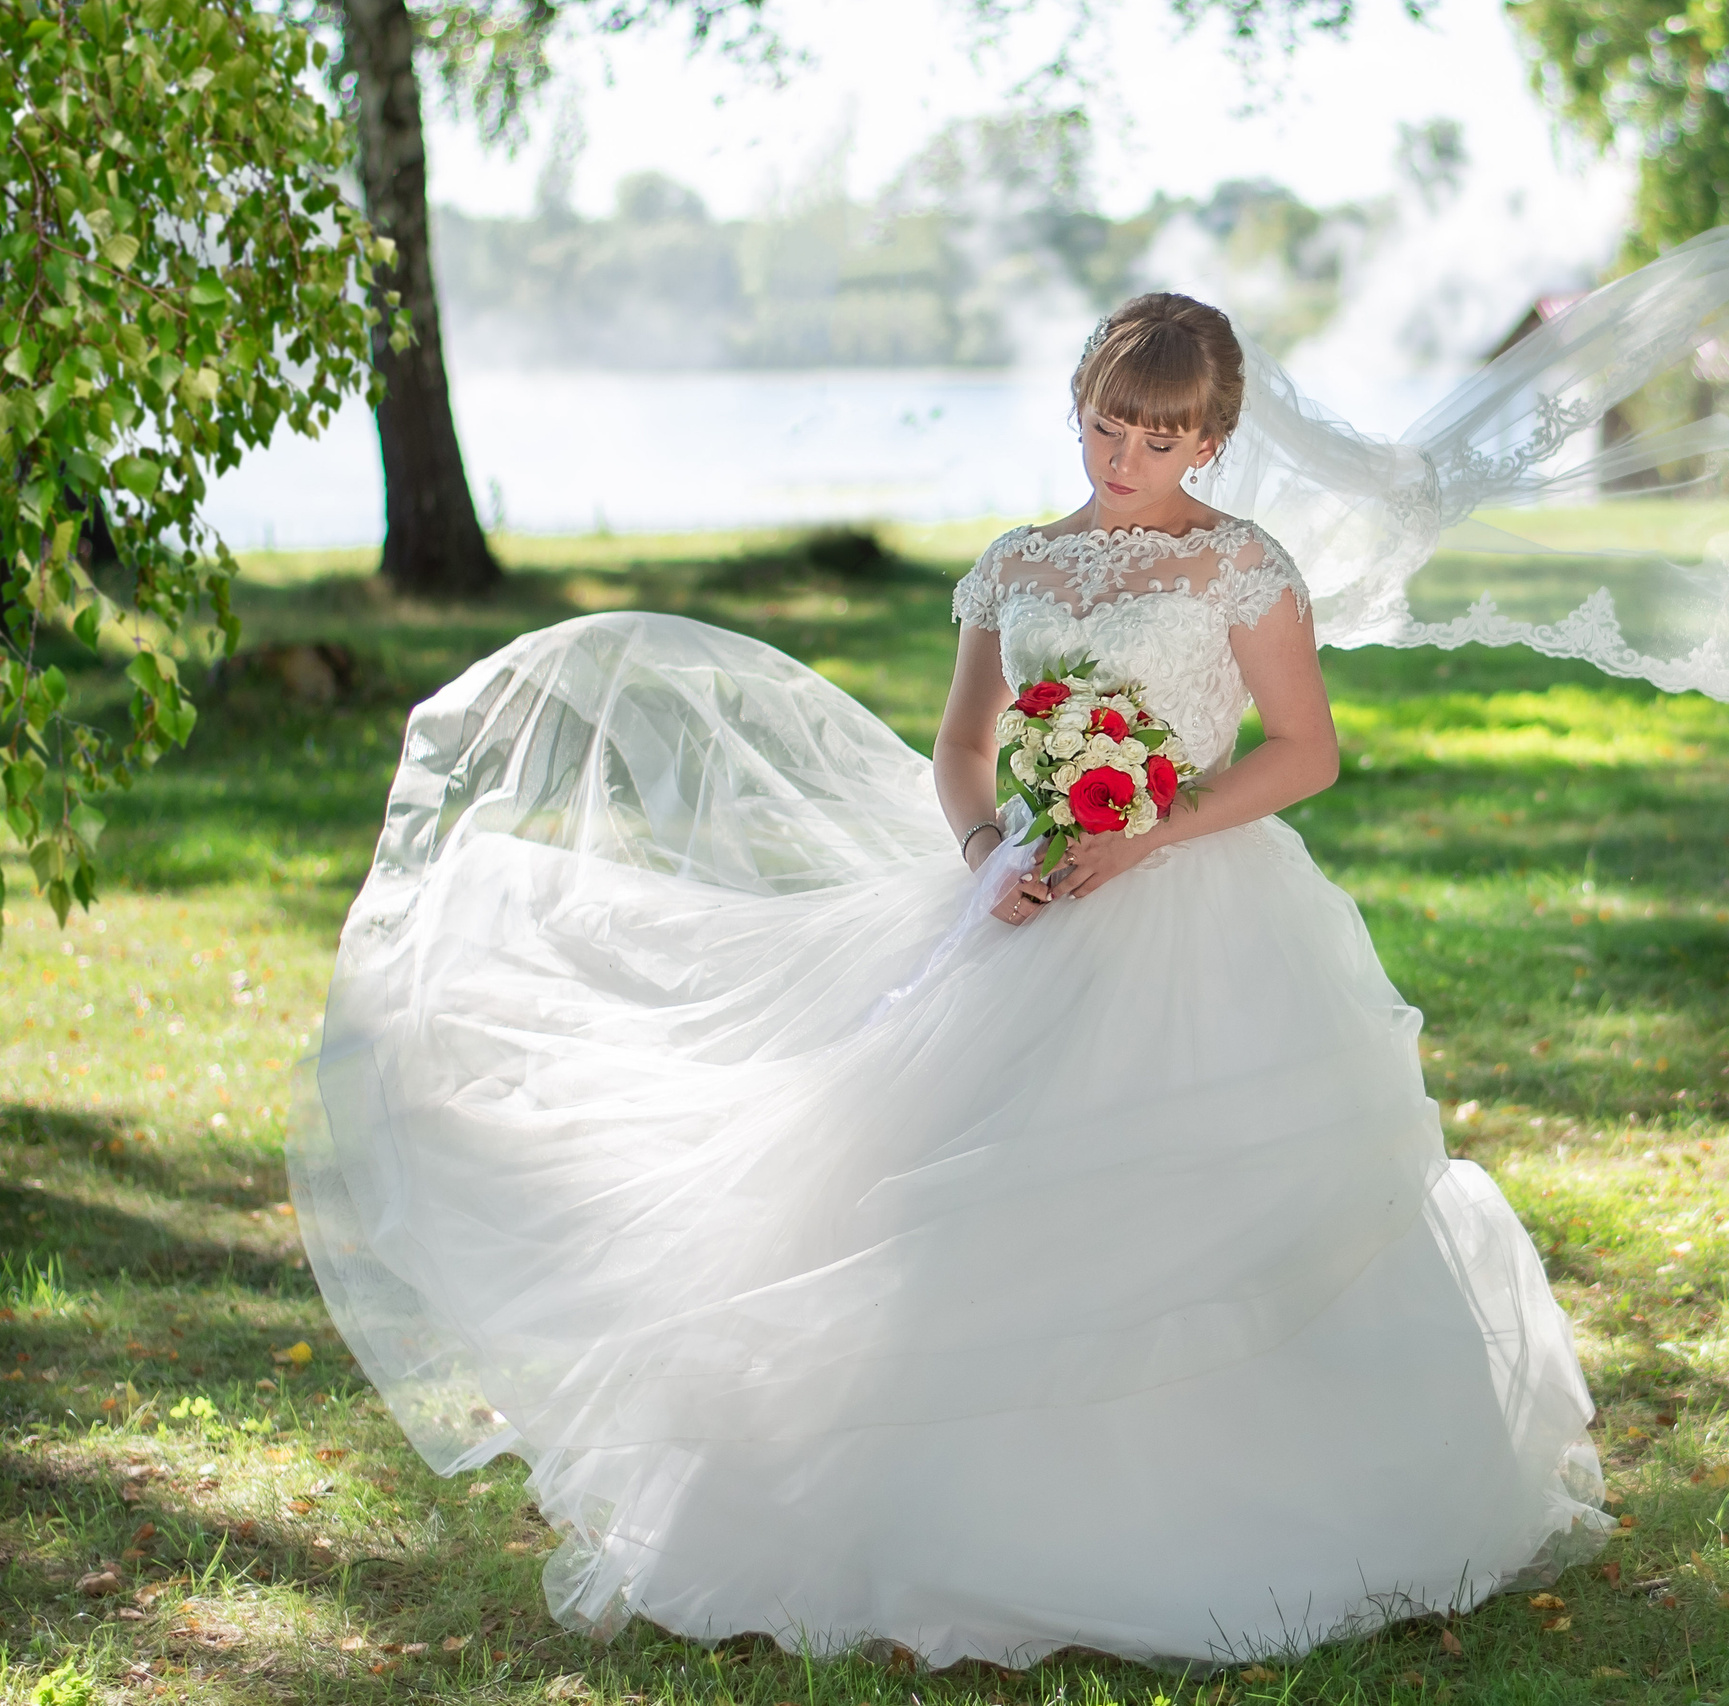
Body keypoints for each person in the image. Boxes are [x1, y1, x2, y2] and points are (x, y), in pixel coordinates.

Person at [294, 292, 1608, 1669]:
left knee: (1187, 1196)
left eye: (1158, 439)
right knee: (953, 1183)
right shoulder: (1019, 568)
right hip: (1030, 897)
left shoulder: (1242, 570)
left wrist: (1149, 830)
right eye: (1106, 424)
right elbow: (962, 748)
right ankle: (933, 1516)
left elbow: (1305, 753)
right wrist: (992, 850)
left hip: (1199, 903)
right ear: (1080, 408)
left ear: (1209, 442)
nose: (1124, 456)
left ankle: (1232, 1508)